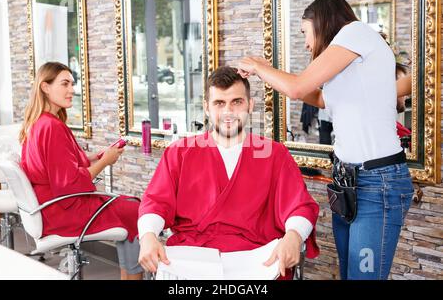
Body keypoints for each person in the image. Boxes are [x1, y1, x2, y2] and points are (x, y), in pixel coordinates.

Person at [237, 0, 414, 280]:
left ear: (322, 22)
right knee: (348, 275)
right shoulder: (349, 65)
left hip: (377, 182)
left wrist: (261, 67)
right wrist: (266, 74)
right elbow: (318, 98)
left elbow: (296, 89)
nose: (306, 42)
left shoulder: (356, 32)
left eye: (306, 32)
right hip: (347, 181)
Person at [138, 66, 319, 278]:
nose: (228, 112)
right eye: (219, 103)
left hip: (255, 257)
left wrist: (294, 236)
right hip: (192, 256)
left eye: (237, 102)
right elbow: (156, 202)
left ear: (250, 105)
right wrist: (148, 235)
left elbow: (299, 206)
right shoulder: (179, 153)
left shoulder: (275, 155)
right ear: (206, 107)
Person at [19, 62, 143, 280]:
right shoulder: (52, 127)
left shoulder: (39, 123)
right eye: (65, 84)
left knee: (130, 206)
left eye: (72, 84)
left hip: (48, 208)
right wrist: (105, 163)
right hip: (63, 210)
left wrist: (95, 157)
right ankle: (133, 278)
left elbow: (57, 166)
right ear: (45, 87)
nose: (71, 90)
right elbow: (69, 184)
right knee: (136, 209)